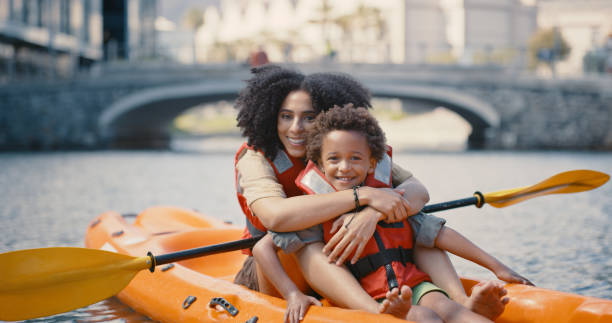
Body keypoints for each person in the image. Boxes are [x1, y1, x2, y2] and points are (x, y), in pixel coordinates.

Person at [233, 64, 513, 320]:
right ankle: (374, 311)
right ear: (271, 116)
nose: (296, 128)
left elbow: (416, 192)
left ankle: (454, 302)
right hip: (277, 267)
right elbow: (275, 218)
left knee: (404, 215)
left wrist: (372, 213)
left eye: (309, 117)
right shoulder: (257, 158)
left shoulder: (343, 149)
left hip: (350, 262)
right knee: (304, 237)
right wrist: (363, 196)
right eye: (285, 116)